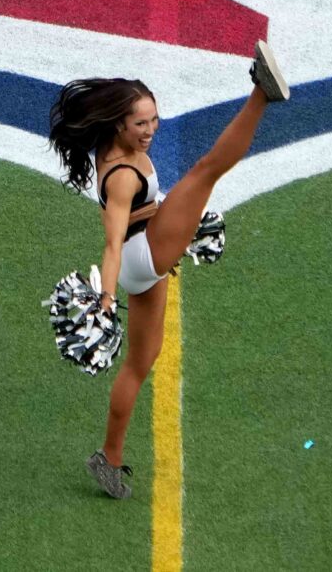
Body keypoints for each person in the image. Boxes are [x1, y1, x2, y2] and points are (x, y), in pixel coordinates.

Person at [47, 41, 291, 500]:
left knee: (141, 362)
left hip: (147, 252)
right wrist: (106, 300)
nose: (149, 131)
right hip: (140, 253)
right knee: (206, 171)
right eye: (140, 123)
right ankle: (261, 93)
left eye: (153, 120)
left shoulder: (110, 144)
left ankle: (108, 458)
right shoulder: (123, 176)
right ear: (119, 124)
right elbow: (112, 243)